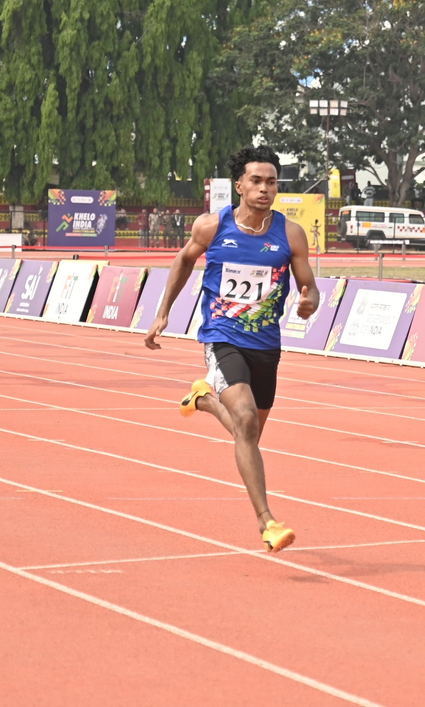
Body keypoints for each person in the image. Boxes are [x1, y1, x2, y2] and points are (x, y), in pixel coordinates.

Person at [144, 144, 319, 553]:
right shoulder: (211, 226)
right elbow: (184, 261)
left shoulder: (290, 233)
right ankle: (268, 522)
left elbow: (308, 284)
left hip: (266, 343)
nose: (264, 188)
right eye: (256, 181)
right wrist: (163, 312)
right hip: (222, 336)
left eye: (271, 182)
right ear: (239, 185)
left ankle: (203, 399)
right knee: (244, 421)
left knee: (250, 433)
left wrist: (309, 301)